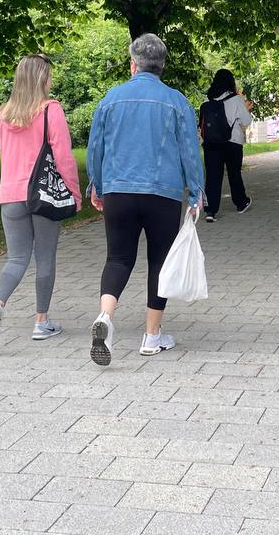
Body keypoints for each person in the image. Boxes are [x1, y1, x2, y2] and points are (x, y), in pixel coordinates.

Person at [85, 33, 205, 366]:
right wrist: (196, 190)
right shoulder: (176, 101)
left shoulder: (110, 99)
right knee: (160, 262)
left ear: (133, 63)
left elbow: (96, 147)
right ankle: (152, 337)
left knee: (118, 258)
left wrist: (97, 184)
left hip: (119, 191)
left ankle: (106, 317)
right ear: (162, 65)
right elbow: (189, 152)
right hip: (162, 194)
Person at [0, 54, 82, 351]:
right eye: (48, 76)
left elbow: (5, 157)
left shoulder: (5, 114)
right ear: (41, 79)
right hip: (42, 195)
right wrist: (74, 193)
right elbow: (63, 157)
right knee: (45, 258)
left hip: (10, 194)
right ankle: (41, 322)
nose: (51, 81)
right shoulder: (51, 110)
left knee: (16, 258)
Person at [199, 68, 254, 222]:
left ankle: (210, 211)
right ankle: (241, 203)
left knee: (212, 177)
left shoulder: (207, 100)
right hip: (232, 142)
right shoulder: (236, 99)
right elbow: (246, 121)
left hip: (211, 144)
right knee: (234, 173)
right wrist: (247, 109)